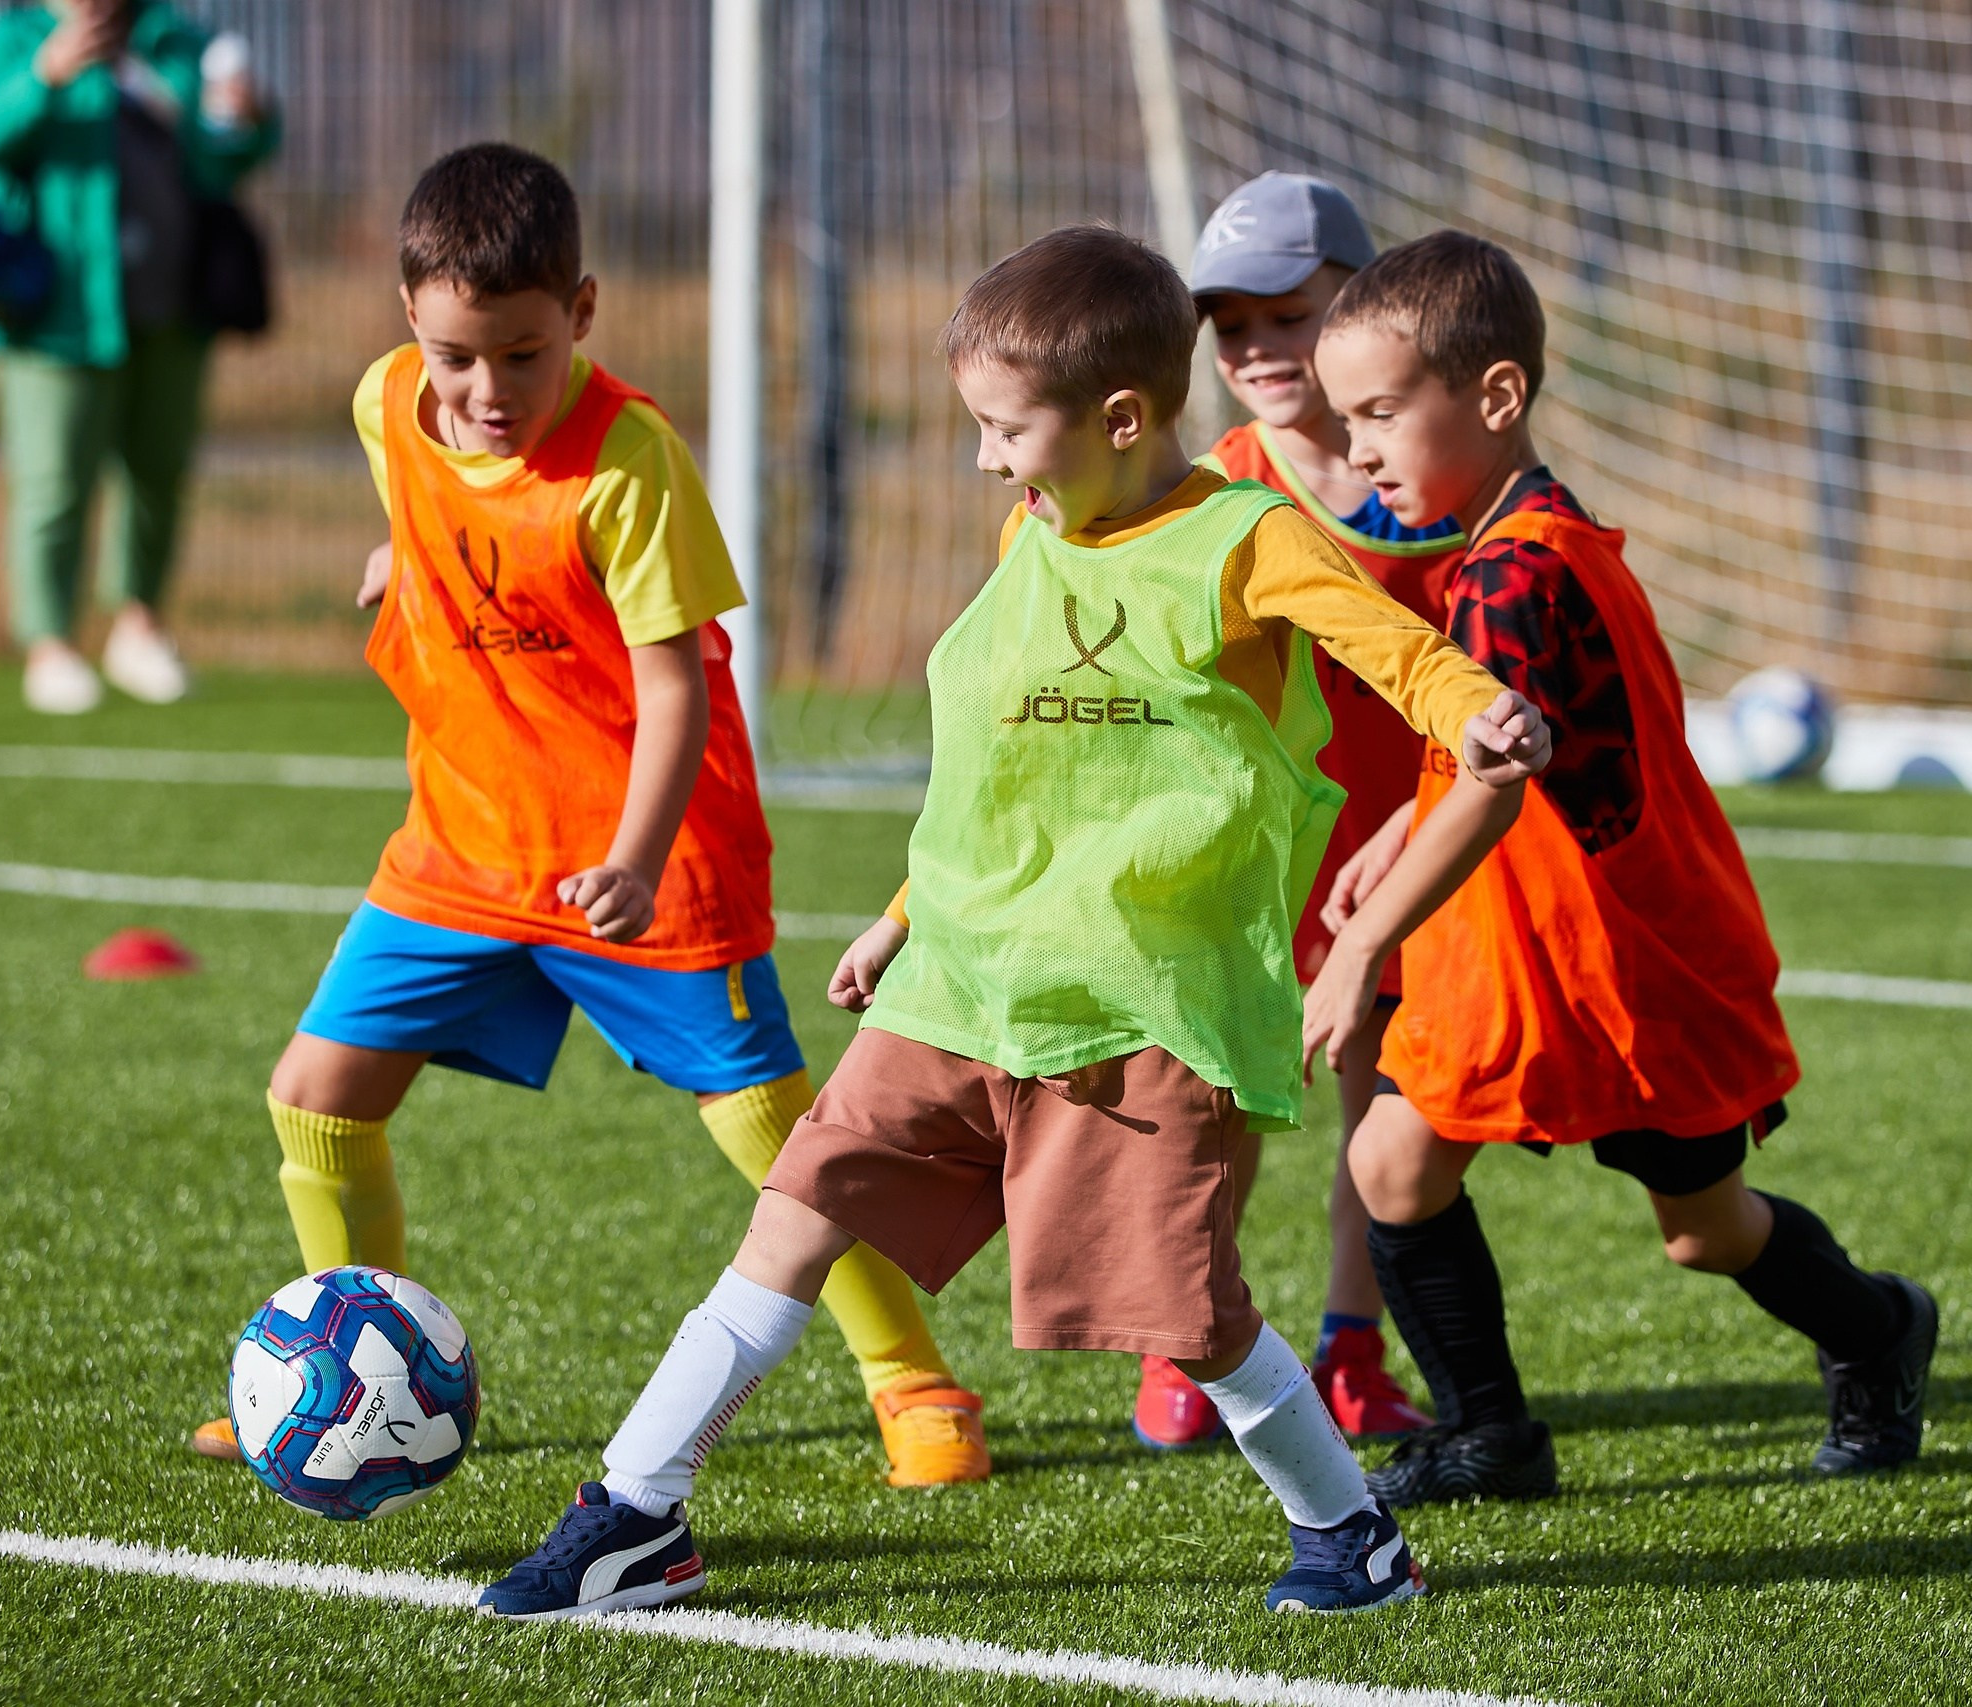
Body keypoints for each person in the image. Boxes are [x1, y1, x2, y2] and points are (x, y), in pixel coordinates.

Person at [472, 225, 1554, 1622]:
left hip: (1138, 1005)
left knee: (1190, 1315)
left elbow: (1399, 652)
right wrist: (902, 916)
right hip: (960, 981)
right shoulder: (1027, 537)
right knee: (793, 1215)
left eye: (1007, 429)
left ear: (1121, 419)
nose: (988, 461)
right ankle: (635, 1511)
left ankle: (1350, 1533)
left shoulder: (1246, 538)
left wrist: (1480, 712)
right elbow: (1003, 778)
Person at [185, 143, 989, 1491]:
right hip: (463, 843)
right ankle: (344, 1376)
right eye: (455, 356)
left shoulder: (629, 464)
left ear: (583, 312)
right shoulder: (386, 404)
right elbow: (438, 502)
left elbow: (677, 686)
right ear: (407, 320)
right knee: (315, 1104)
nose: (486, 390)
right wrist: (401, 556)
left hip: (649, 863)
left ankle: (912, 1378)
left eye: (522, 354)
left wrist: (632, 857)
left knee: (768, 1132)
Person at [1302, 231, 1939, 1508]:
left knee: (1705, 1231)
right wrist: (1396, 830)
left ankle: (1879, 1328)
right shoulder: (1512, 546)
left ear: (1495, 395)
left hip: (1631, 959)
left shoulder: (1520, 568)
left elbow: (1500, 776)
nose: (1356, 448)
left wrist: (1363, 946)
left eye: (1378, 412)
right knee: (1392, 1165)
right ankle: (1489, 1434)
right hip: (1513, 956)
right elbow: (1496, 743)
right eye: (1345, 418)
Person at [1125, 174, 1464, 1451]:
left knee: (1379, 1114)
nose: (1259, 350)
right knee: (1215, 1107)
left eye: (1289, 316)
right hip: (1254, 861)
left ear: (1362, 308)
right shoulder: (1209, 485)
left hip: (1398, 855)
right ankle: (1187, 1340)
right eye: (1232, 327)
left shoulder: (1440, 480)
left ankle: (1352, 1352)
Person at [0, 0, 278, 715]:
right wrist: (42, 79)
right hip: (55, 313)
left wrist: (249, 120)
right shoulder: (10, 41)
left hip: (172, 306)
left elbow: (226, 161)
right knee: (54, 482)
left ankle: (139, 627)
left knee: (159, 474)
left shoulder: (175, 42)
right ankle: (50, 644)